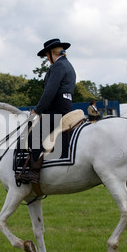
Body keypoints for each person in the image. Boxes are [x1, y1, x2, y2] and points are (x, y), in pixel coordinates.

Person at [18, 38, 76, 188]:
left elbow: (50, 91)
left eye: (46, 56)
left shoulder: (58, 66)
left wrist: (37, 109)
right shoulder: (68, 65)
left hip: (57, 108)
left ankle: (34, 173)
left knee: (33, 137)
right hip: (66, 105)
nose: (47, 60)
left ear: (51, 53)